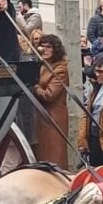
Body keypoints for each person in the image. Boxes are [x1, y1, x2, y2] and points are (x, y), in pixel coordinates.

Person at [29, 33, 70, 168]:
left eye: (48, 47)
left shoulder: (60, 69)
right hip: (40, 117)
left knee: (54, 158)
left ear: (55, 49)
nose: (44, 50)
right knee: (41, 158)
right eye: (42, 46)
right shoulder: (42, 65)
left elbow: (49, 95)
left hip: (53, 119)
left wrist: (33, 85)